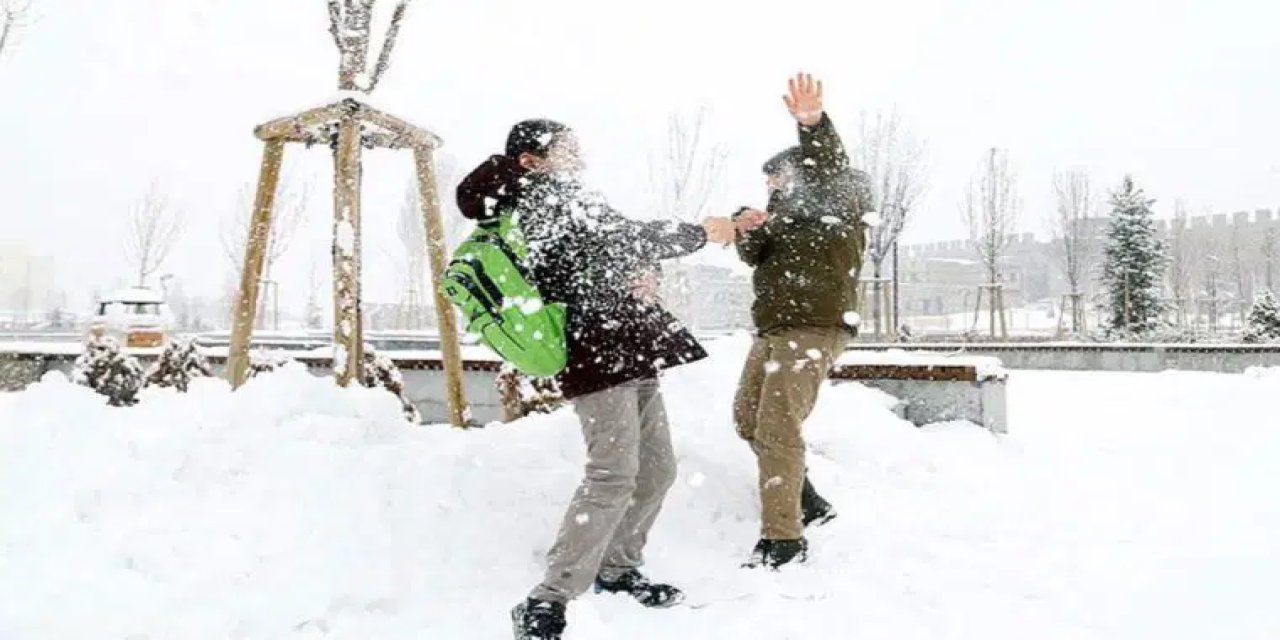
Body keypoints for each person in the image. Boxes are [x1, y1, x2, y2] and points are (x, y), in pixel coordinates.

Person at [456, 120, 741, 640]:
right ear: (532, 159)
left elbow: (614, 246)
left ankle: (618, 569)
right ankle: (548, 598)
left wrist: (640, 271)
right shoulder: (536, 197)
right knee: (613, 473)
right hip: (594, 350)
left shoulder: (567, 195)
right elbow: (616, 240)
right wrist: (701, 233)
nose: (579, 155)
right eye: (567, 148)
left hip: (628, 344)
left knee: (657, 468)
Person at [731, 73, 874, 569]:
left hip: (814, 326)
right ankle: (807, 499)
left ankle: (784, 539)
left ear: (801, 173)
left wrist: (812, 124)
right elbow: (754, 256)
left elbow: (829, 165)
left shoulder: (837, 199)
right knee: (747, 419)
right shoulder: (784, 218)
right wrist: (746, 225)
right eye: (768, 182)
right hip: (774, 328)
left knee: (776, 427)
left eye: (779, 179)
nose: (772, 187)